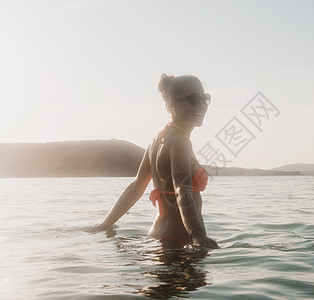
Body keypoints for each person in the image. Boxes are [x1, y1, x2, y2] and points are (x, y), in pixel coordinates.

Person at [87, 74, 219, 249]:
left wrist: (105, 224)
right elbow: (182, 190)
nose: (201, 105)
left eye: (205, 98)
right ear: (171, 105)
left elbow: (135, 188)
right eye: (194, 99)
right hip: (179, 241)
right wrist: (198, 235)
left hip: (158, 237)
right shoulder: (180, 142)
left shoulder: (158, 139)